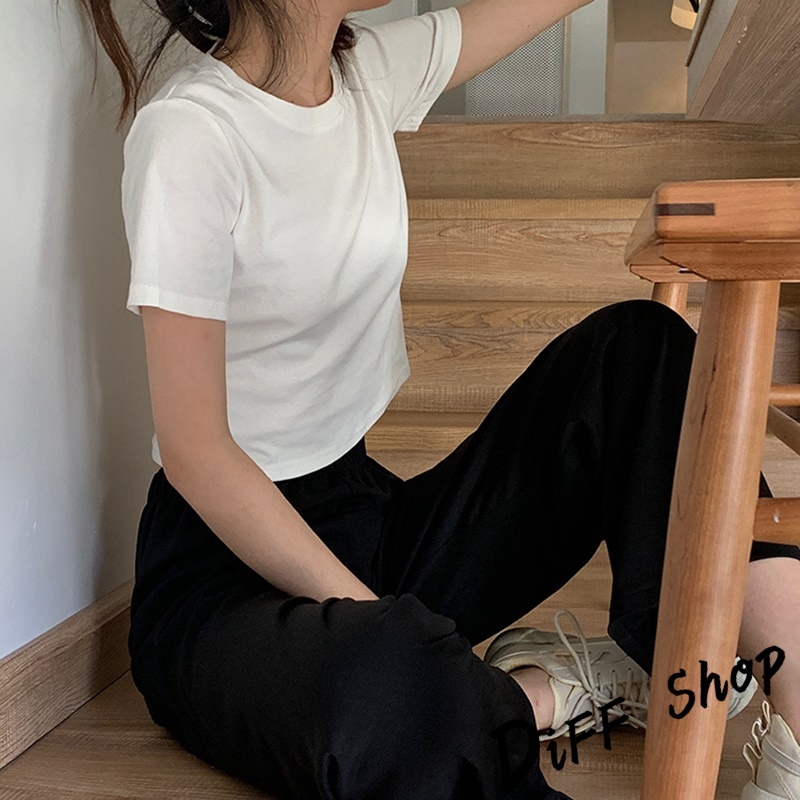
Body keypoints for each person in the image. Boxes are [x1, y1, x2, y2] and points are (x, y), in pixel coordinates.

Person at [74, 0, 800, 796]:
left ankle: (796, 725)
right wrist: (390, 628)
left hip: (363, 517)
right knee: (390, 686)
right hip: (221, 578)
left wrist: (399, 625)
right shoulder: (190, 132)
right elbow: (197, 455)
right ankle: (541, 695)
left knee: (644, 351)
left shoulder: (368, 74)